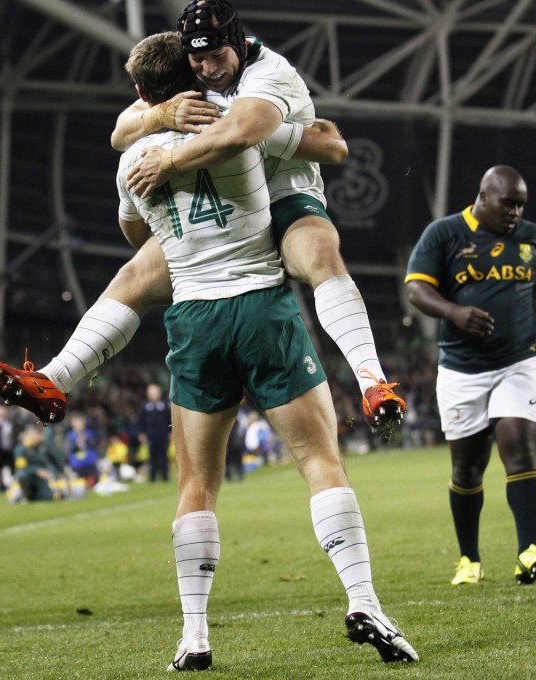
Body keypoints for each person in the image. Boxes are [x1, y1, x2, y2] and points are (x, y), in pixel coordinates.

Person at [97, 31, 418, 671]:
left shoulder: (147, 148)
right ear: (189, 72)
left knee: (196, 482)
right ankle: (363, 598)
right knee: (320, 459)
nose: (211, 65)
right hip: (258, 300)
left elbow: (133, 211)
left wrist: (164, 150)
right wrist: (194, 129)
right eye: (200, 60)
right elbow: (314, 139)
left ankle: (194, 635)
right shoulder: (239, 116)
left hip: (194, 311)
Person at [0, 0, 405, 432]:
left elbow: (323, 145)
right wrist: (162, 115)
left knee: (319, 251)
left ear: (239, 44)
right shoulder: (189, 98)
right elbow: (118, 132)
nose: (208, 67)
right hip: (234, 222)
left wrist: (168, 163)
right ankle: (53, 380)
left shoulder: (266, 75)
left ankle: (373, 383)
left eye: (217, 56)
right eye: (198, 59)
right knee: (133, 276)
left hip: (284, 195)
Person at [404, 165, 536, 586]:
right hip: (461, 371)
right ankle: (468, 559)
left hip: (519, 364)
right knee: (467, 470)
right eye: (508, 203)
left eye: (521, 205)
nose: (515, 212)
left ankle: (528, 551)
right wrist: (454, 311)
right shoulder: (444, 233)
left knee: (521, 452)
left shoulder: (533, 238)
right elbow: (416, 289)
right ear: (483, 196)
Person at [137, 382, 171, 482]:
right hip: (151, 434)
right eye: (151, 393)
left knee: (164, 455)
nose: (153, 395)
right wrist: (141, 433)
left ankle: (165, 477)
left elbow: (168, 420)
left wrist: (170, 432)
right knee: (152, 456)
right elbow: (141, 421)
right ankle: (152, 477)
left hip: (163, 434)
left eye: (154, 393)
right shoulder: (145, 406)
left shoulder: (164, 405)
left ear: (159, 393)